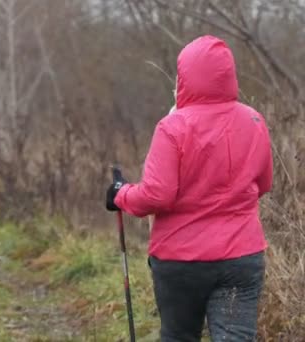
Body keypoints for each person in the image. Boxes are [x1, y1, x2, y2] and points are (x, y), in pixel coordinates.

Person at [106, 35, 272, 341]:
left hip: (182, 261)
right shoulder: (254, 120)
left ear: (185, 77)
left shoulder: (173, 127)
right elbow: (263, 184)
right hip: (241, 258)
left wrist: (121, 194)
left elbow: (157, 194)